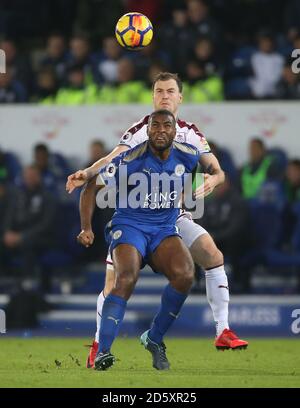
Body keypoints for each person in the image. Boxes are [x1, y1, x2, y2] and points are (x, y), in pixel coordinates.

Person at [66, 72, 248, 368]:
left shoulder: (190, 135)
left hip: (171, 217)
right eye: (159, 91)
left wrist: (215, 178)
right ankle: (100, 346)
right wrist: (86, 173)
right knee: (117, 281)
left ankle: (222, 331)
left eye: (170, 91)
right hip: (132, 216)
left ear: (180, 97)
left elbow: (216, 168)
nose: (164, 96)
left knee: (211, 257)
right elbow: (112, 159)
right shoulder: (141, 131)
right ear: (153, 98)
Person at [78, 110, 198, 370]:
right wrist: (86, 227)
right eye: (155, 126)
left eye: (167, 125)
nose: (161, 130)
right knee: (126, 278)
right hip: (130, 225)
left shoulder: (189, 156)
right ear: (148, 131)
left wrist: (183, 205)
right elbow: (91, 188)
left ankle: (154, 339)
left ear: (175, 131)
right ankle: (103, 352)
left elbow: (189, 183)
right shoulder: (130, 159)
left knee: (186, 275)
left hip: (164, 228)